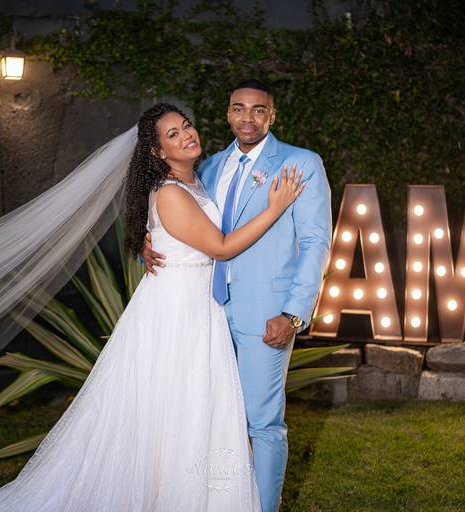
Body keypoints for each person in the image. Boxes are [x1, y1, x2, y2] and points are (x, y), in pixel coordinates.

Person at [0, 103, 304, 511]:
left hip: (196, 304)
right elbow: (221, 246)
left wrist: (147, 242)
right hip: (176, 310)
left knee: (191, 402)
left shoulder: (197, 178)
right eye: (172, 134)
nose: (186, 135)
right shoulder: (171, 192)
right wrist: (274, 208)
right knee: (176, 399)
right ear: (157, 152)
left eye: (186, 126)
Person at [143, 80, 332, 512]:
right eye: (239, 108)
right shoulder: (208, 167)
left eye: (259, 109)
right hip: (204, 314)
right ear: (227, 113)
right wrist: (146, 243)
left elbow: (315, 243)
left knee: (263, 423)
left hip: (265, 314)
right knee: (210, 421)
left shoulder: (300, 163)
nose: (248, 118)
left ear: (272, 115)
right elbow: (185, 227)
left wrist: (293, 313)